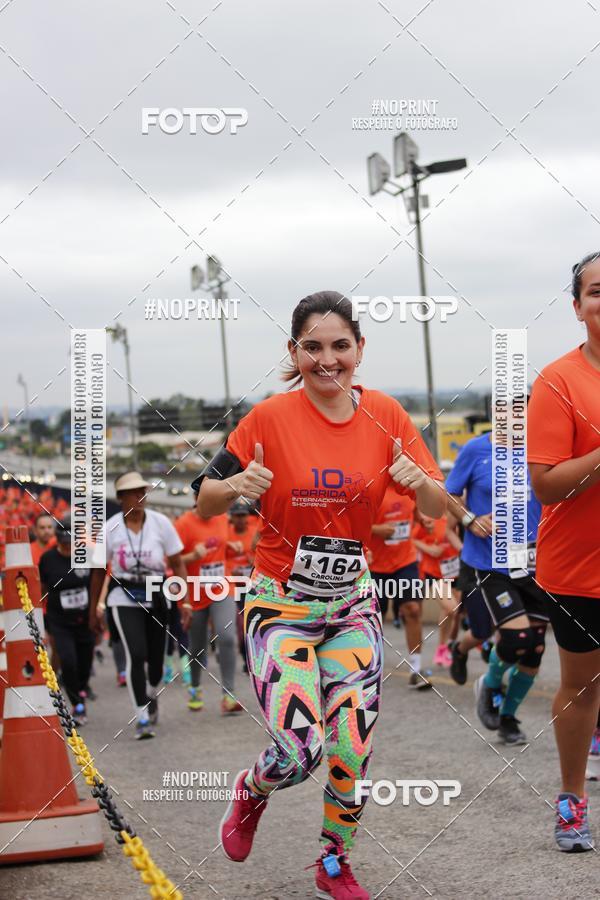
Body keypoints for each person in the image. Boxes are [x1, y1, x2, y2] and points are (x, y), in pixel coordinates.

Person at [194, 291, 445, 899]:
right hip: (281, 605)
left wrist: (420, 484)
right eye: (313, 347)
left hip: (352, 605)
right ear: (294, 352)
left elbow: (438, 507)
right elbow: (204, 499)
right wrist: (232, 486)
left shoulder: (387, 414)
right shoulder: (268, 419)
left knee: (352, 741)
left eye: (341, 346)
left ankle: (335, 860)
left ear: (361, 349)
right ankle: (252, 790)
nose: (327, 359)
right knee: (299, 748)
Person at [528, 251, 600, 852]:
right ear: (577, 307)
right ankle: (573, 799)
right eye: (597, 291)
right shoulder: (558, 381)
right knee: (582, 685)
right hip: (582, 569)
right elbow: (546, 484)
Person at [446, 426, 548, 746]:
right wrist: (470, 520)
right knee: (518, 638)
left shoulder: (544, 450)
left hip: (535, 565)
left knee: (534, 650)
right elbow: (449, 493)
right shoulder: (476, 450)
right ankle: (489, 683)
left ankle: (507, 719)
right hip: (491, 564)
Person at [89, 472, 189, 740]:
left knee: (156, 662)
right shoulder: (110, 528)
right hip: (123, 594)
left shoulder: (161, 523)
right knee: (136, 652)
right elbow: (98, 572)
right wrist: (93, 611)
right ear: (121, 497)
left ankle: (151, 689)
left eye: (143, 491)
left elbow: (177, 562)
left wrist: (185, 600)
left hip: (157, 593)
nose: (140, 496)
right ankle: (142, 716)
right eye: (133, 492)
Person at [174, 504, 244, 714]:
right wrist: (192, 557)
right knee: (198, 647)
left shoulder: (222, 518)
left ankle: (228, 695)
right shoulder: (183, 524)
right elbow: (171, 561)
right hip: (194, 593)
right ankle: (195, 687)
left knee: (226, 636)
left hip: (222, 587)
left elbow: (221, 548)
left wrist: (232, 547)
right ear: (199, 497)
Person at [369, 484, 432, 688]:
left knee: (412, 609)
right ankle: (369, 670)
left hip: (405, 560)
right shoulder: (371, 485)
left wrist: (423, 519)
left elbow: (415, 509)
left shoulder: (408, 486)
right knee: (373, 619)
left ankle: (416, 669)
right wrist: (376, 530)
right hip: (374, 564)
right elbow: (349, 522)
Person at [38, 516, 95, 726]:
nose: (67, 545)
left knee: (84, 664)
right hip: (59, 620)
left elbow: (97, 583)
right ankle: (77, 704)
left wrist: (98, 611)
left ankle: (81, 688)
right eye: (63, 540)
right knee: (68, 661)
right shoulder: (48, 559)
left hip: (84, 619)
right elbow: (42, 588)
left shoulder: (87, 556)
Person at [412, 514, 461, 668]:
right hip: (434, 572)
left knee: (450, 612)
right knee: (451, 607)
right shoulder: (427, 518)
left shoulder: (452, 517)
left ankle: (442, 648)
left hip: (454, 569)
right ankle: (445, 647)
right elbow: (410, 539)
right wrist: (429, 548)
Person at [226, 499, 257, 672]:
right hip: (233, 587)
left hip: (252, 585)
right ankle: (245, 657)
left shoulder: (254, 532)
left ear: (247, 517)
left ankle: (251, 662)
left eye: (243, 515)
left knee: (251, 625)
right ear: (232, 517)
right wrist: (232, 571)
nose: (240, 519)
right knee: (240, 626)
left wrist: (254, 562)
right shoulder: (226, 534)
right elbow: (220, 558)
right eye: (237, 516)